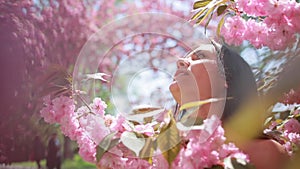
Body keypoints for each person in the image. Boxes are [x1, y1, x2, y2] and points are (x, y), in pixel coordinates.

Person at [169, 41, 288, 169]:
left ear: (226, 78)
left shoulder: (265, 152)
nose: (180, 61)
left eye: (200, 56)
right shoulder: (167, 154)